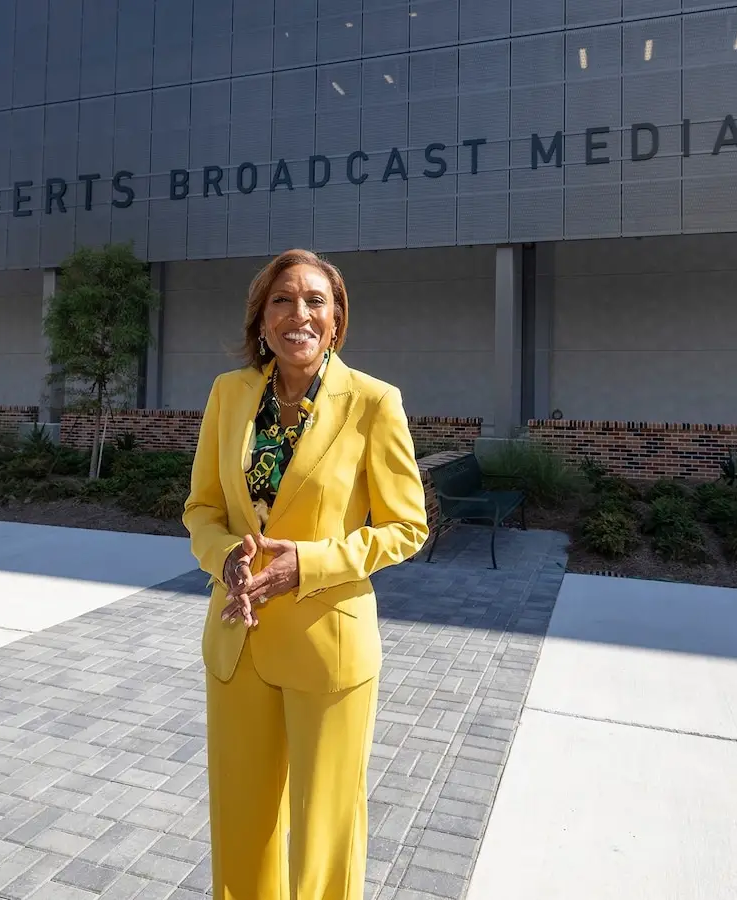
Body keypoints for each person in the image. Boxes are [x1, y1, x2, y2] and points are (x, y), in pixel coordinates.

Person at [182, 248, 429, 900]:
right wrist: (225, 555)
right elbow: (202, 510)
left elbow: (407, 527)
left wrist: (310, 564)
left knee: (324, 830)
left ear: (337, 319)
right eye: (283, 300)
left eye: (316, 301)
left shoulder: (374, 402)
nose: (300, 314)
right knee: (241, 827)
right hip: (239, 639)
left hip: (330, 647)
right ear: (262, 318)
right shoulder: (228, 395)